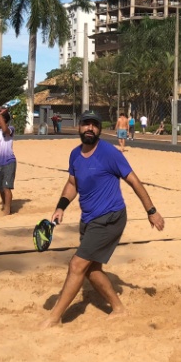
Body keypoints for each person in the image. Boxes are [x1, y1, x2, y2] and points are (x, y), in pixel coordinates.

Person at [43, 111, 165, 327]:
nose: (90, 128)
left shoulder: (109, 153)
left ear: (99, 130)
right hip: (89, 219)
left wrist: (151, 210)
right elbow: (72, 184)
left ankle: (54, 318)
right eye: (86, 124)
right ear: (79, 127)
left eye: (94, 125)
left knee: (77, 265)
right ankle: (118, 308)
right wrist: (61, 207)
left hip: (110, 218)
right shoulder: (75, 155)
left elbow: (134, 182)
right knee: (91, 269)